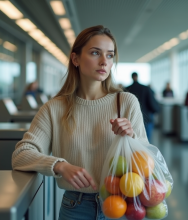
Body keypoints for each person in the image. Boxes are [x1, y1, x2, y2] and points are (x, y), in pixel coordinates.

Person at [12, 25, 148, 220]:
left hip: (121, 204)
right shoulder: (54, 108)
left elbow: (146, 160)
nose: (104, 62)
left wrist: (131, 137)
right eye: (95, 53)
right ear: (75, 59)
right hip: (75, 207)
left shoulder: (126, 102)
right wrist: (59, 165)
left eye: (110, 55)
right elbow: (21, 154)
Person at [126, 72, 159, 143]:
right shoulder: (146, 88)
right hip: (145, 117)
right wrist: (157, 110)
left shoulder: (127, 89)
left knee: (132, 141)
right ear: (137, 77)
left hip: (130, 118)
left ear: (132, 77)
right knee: (145, 140)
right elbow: (151, 103)